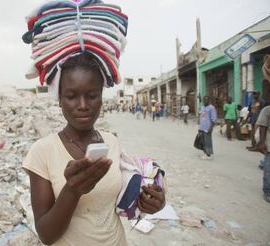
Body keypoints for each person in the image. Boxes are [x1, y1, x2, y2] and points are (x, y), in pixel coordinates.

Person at [21, 2, 165, 244]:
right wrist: (72, 190)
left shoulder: (110, 141)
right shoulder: (42, 152)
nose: (83, 105)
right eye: (71, 96)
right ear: (59, 98)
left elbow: (120, 203)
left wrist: (150, 202)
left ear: (101, 97)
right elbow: (46, 235)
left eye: (92, 95)